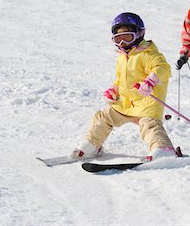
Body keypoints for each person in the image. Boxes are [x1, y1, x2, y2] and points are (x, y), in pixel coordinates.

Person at [70, 12, 178, 161]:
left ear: (139, 34)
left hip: (146, 103)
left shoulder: (148, 54)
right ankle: (92, 145)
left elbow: (163, 68)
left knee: (149, 126)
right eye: (117, 39)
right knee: (103, 117)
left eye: (127, 37)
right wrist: (114, 90)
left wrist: (150, 81)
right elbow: (120, 80)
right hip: (125, 104)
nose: (122, 43)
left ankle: (162, 149)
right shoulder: (122, 57)